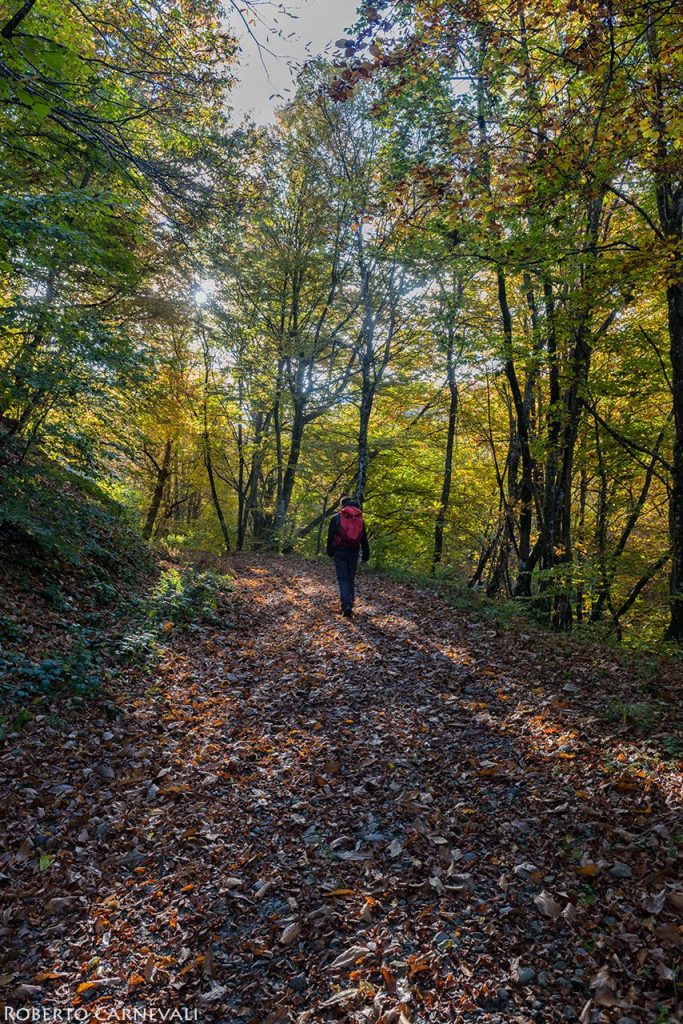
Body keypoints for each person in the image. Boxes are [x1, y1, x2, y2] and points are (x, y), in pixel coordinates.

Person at [326, 496, 370, 618]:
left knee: (343, 579)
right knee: (351, 578)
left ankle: (346, 605)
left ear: (342, 506)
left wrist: (330, 552)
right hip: (354, 552)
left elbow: (330, 537)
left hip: (340, 552)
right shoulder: (360, 520)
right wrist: (366, 556)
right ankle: (350, 603)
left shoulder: (336, 518)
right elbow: (364, 539)